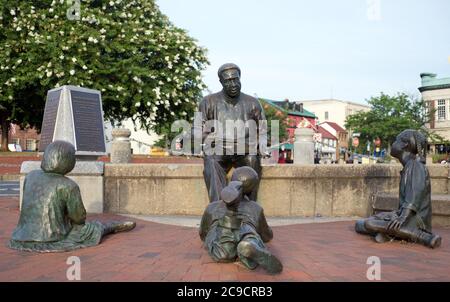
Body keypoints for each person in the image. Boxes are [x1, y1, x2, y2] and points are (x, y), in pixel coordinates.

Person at [9, 140, 136, 253]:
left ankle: (110, 226)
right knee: (92, 228)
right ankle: (111, 227)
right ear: (67, 161)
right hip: (51, 237)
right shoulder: (68, 185)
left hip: (21, 235)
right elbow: (79, 218)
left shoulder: (31, 176)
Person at [355, 130, 441, 248]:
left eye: (396, 140)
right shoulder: (408, 167)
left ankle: (421, 235)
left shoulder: (415, 166)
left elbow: (415, 194)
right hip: (403, 215)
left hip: (415, 219)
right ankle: (390, 233)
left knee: (370, 223)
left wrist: (403, 217)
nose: (393, 143)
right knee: (360, 224)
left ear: (404, 145)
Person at [196, 63, 267, 202]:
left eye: (236, 79)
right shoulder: (207, 102)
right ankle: (218, 207)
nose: (233, 84)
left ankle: (249, 207)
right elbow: (198, 128)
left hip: (245, 149)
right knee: (211, 160)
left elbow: (263, 129)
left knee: (253, 159)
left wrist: (262, 145)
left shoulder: (253, 103)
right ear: (221, 81)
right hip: (219, 148)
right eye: (228, 81)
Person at [199, 167, 282, 274]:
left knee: (222, 250)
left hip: (222, 231)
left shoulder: (211, 207)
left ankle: (228, 249)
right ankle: (249, 244)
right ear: (252, 189)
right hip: (247, 228)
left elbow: (203, 233)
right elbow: (266, 235)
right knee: (251, 234)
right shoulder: (256, 208)